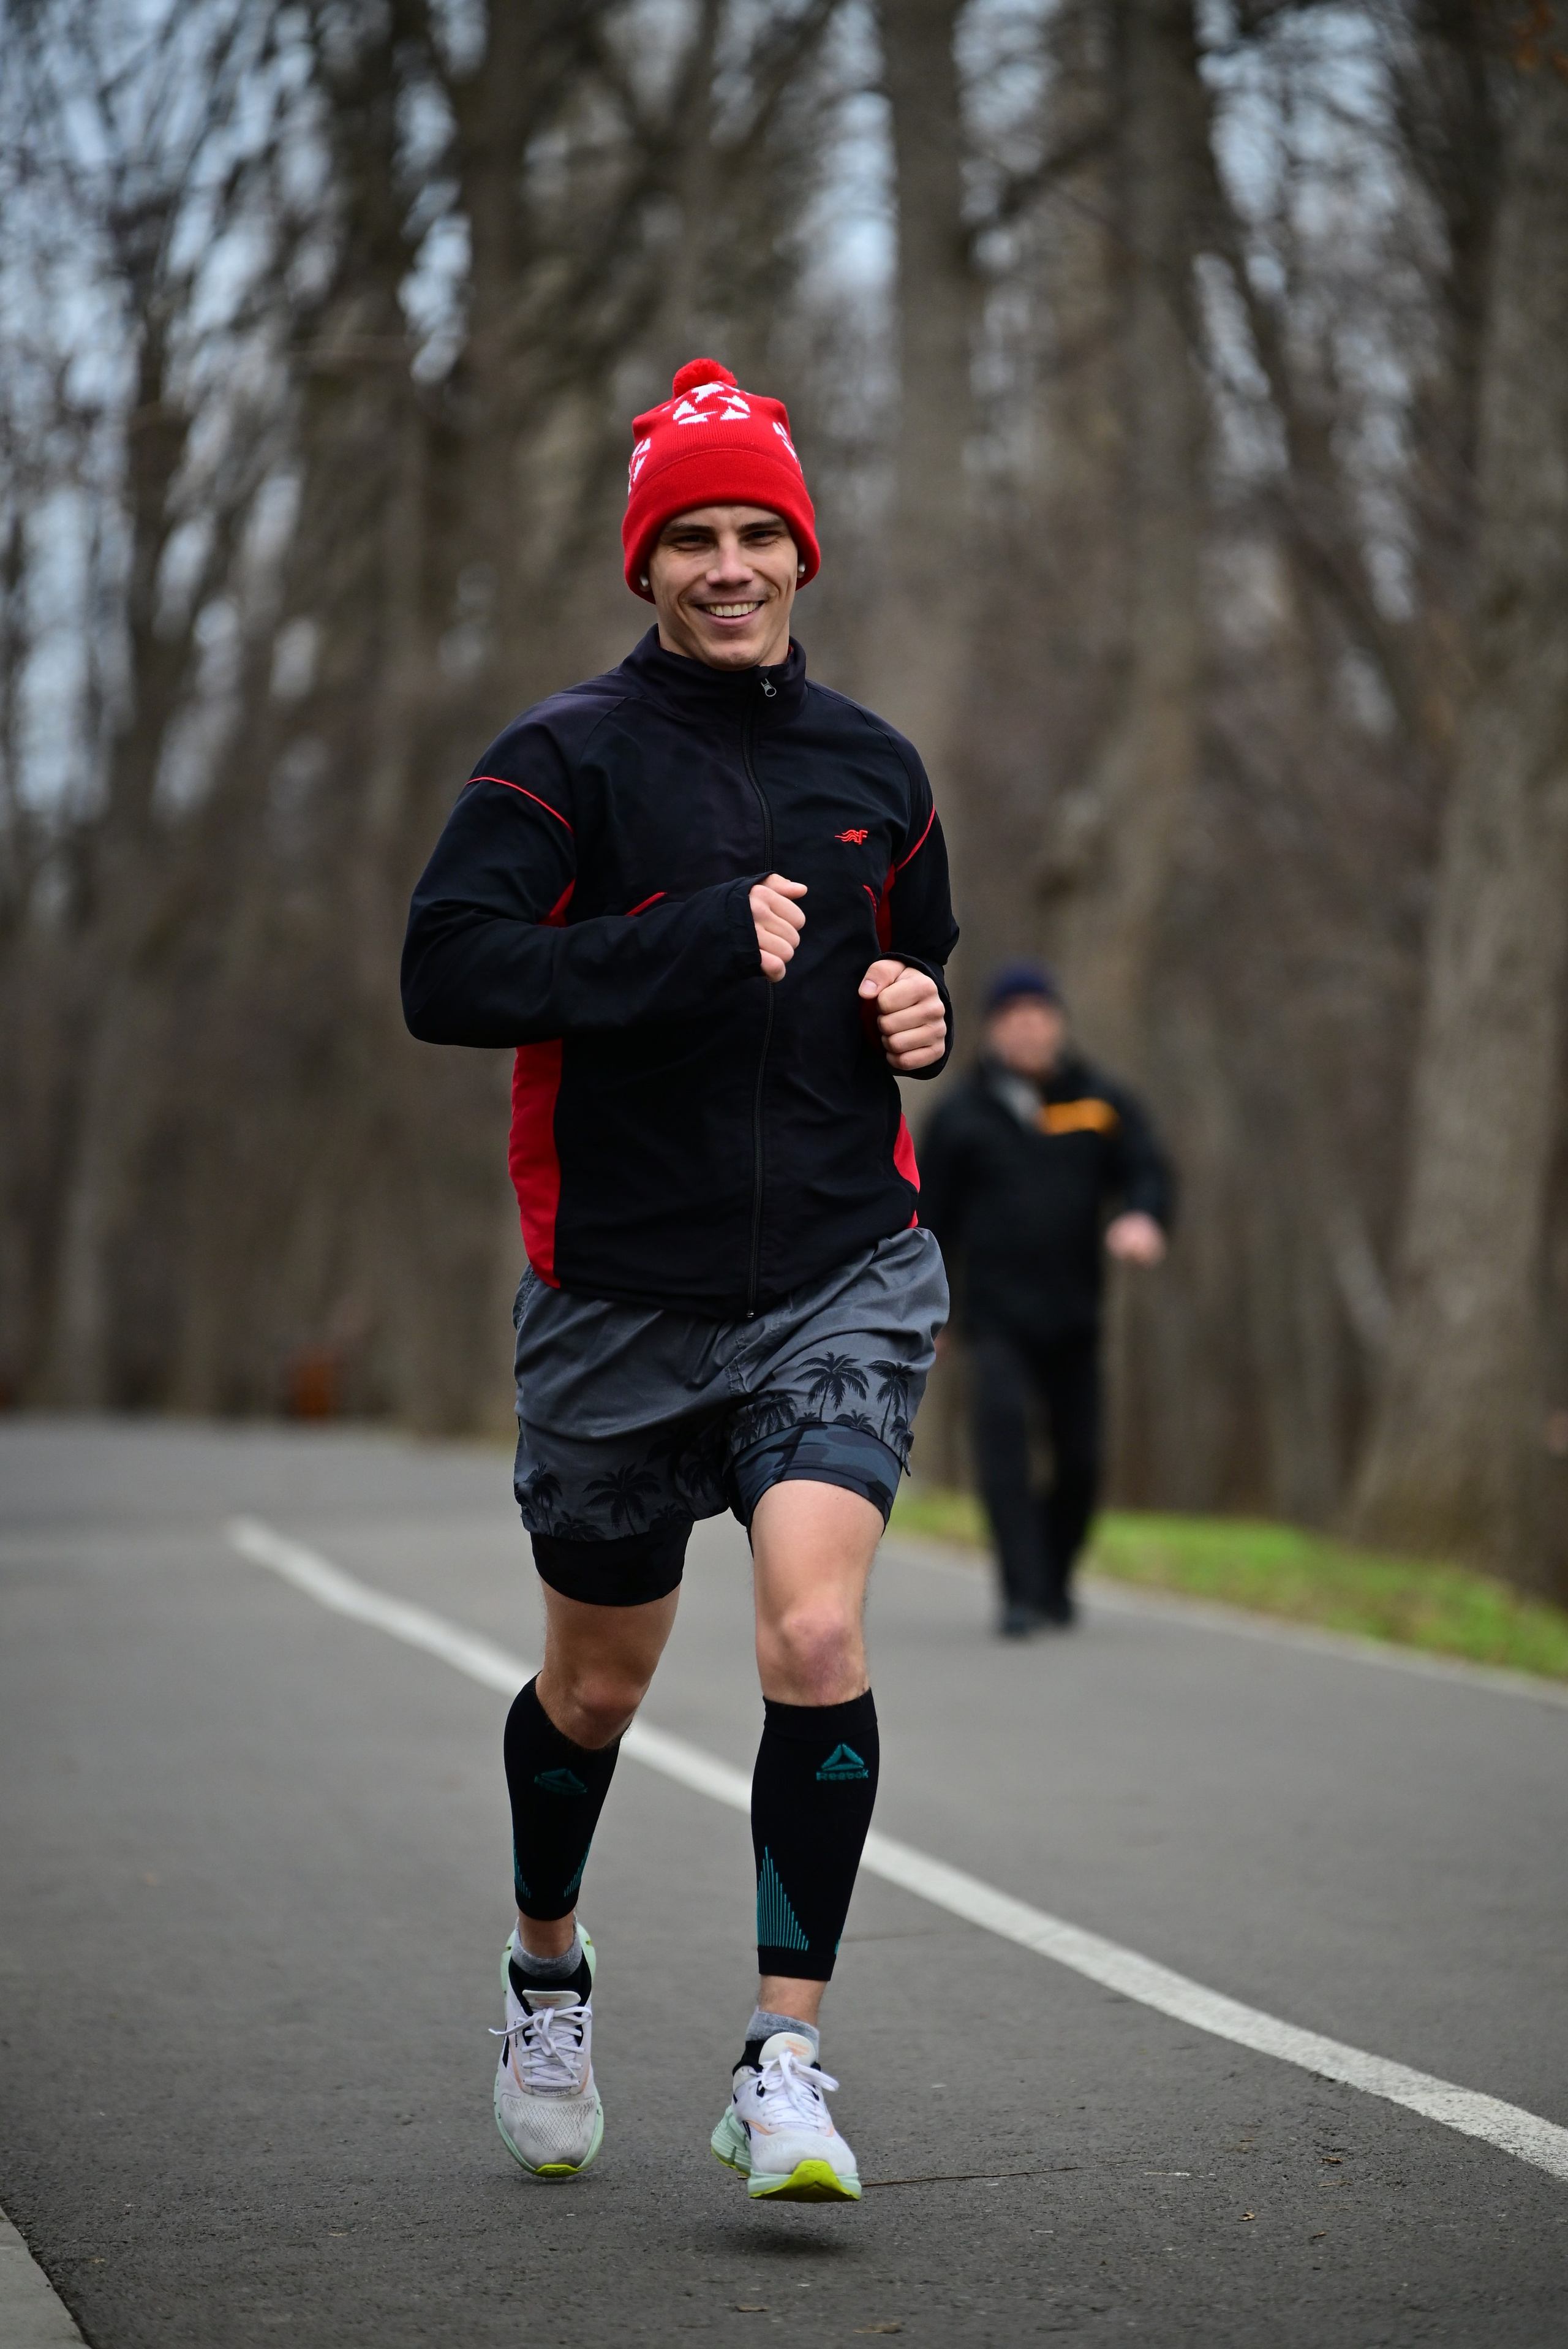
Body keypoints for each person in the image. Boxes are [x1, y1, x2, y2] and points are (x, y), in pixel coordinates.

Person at [401, 358, 957, 2201]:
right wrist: (683, 943)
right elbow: (450, 974)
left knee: (812, 1630)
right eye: (691, 538)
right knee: (594, 1691)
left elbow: (915, 971)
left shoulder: (875, 769)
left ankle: (782, 2054)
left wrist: (915, 1011)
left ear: (803, 549)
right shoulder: (559, 760)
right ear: (644, 565)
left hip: (835, 1267)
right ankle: (543, 1967)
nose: (729, 566)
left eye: (757, 534)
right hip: (617, 1299)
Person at [919, 963, 1172, 1637]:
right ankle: (1019, 1592)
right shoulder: (962, 1115)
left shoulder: (1098, 1103)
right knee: (1001, 1448)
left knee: (1081, 1459)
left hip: (1075, 1315)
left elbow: (1146, 1171)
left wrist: (1143, 1216)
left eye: (1040, 1015)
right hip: (993, 1317)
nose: (1029, 1029)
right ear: (995, 1029)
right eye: (1014, 1017)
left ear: (1058, 1024)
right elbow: (929, 1215)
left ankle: (1055, 1576)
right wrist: (928, 1311)